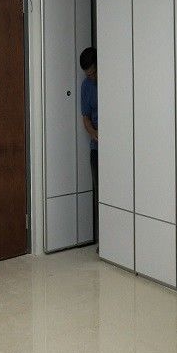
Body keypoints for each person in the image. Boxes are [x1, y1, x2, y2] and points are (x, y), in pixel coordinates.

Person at [79, 47, 98, 243]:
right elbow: (85, 118)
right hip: (97, 148)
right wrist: (94, 134)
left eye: (93, 73)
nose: (91, 77)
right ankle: (105, 242)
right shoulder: (86, 86)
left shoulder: (112, 81)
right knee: (100, 193)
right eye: (87, 74)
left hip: (117, 147)